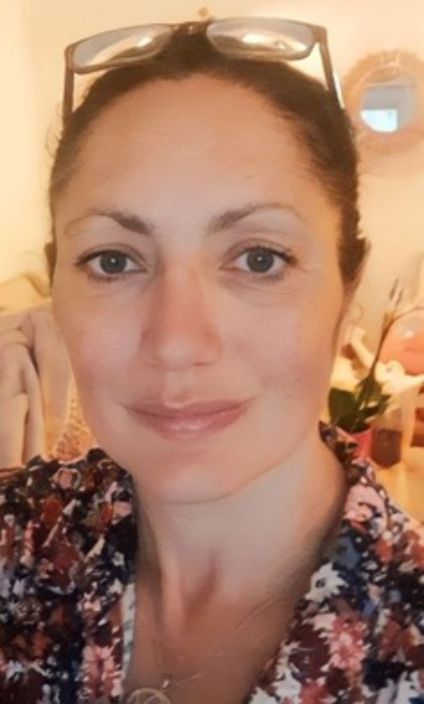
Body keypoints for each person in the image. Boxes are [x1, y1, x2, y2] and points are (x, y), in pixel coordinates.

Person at [0, 17, 422, 704]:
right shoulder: (22, 535)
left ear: (347, 293)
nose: (177, 342)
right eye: (113, 261)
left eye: (259, 258)